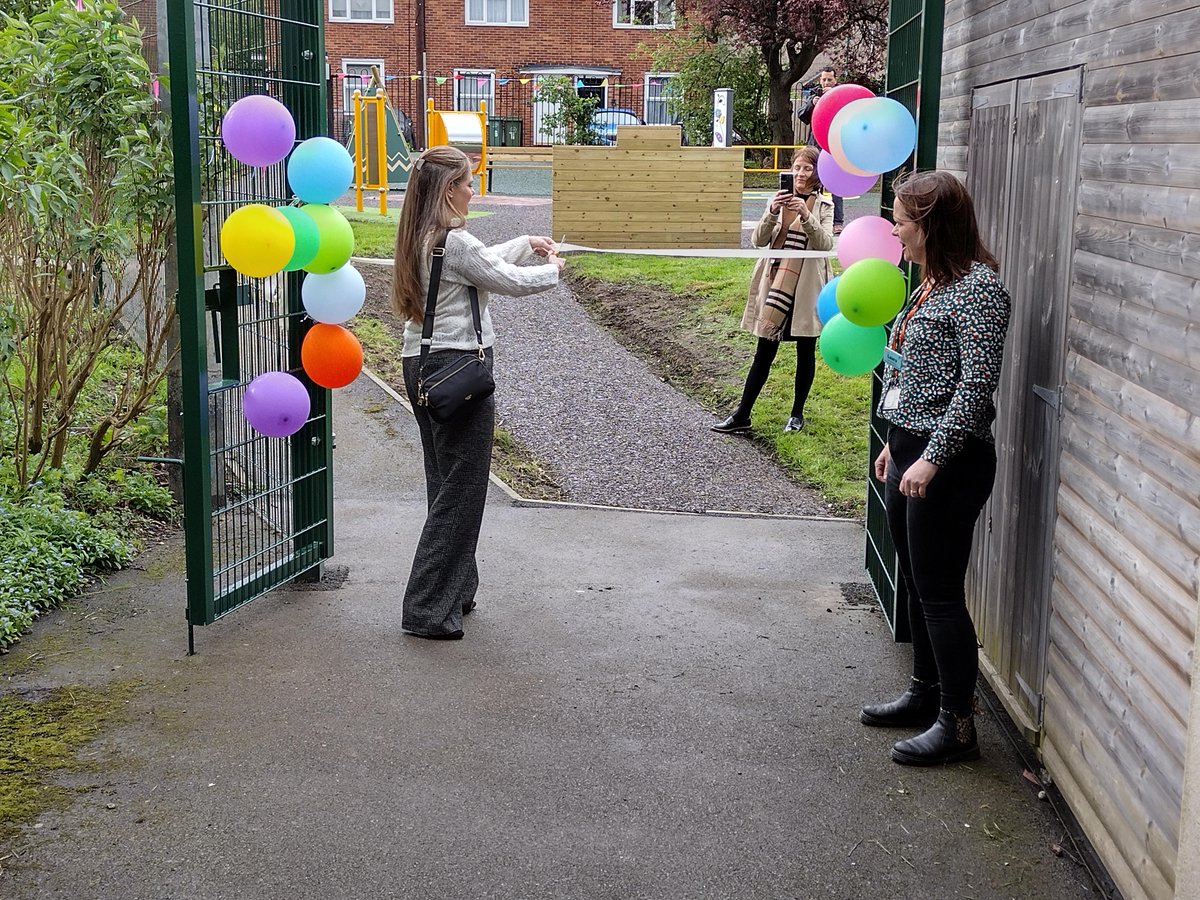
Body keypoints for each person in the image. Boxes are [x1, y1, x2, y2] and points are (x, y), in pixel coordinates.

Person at [860, 171, 1011, 765]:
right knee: (920, 584)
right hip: (910, 450)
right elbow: (914, 372)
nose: (894, 226)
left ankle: (958, 724)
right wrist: (895, 447)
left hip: (948, 462)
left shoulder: (978, 290)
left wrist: (931, 457)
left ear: (930, 223)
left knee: (940, 591)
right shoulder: (932, 283)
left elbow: (975, 386)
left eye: (901, 217)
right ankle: (925, 695)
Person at [390, 146, 564, 640]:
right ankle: (426, 608)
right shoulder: (454, 241)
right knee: (463, 493)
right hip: (459, 367)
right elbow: (505, 280)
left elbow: (480, 265)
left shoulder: (425, 236)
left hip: (421, 365)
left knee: (444, 484)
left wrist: (525, 240)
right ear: (449, 190)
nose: (473, 190)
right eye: (468, 183)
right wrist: (554, 268)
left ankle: (455, 591)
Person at [712, 146, 833, 435]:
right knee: (764, 351)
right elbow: (757, 239)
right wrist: (771, 211)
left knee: (806, 351)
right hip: (775, 284)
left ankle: (797, 414)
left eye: (807, 168)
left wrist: (805, 214)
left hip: (806, 289)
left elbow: (826, 245)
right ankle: (742, 414)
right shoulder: (776, 201)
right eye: (797, 168)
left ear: (817, 174)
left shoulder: (824, 207)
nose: (801, 174)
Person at [799, 67, 844, 233]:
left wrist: (832, 97)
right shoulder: (814, 95)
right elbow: (801, 116)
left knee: (835, 184)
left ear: (835, 80)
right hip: (816, 146)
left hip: (834, 146)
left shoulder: (840, 95)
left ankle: (837, 221)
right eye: (824, 80)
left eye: (829, 80)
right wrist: (813, 103)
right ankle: (810, 216)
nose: (826, 83)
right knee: (812, 182)